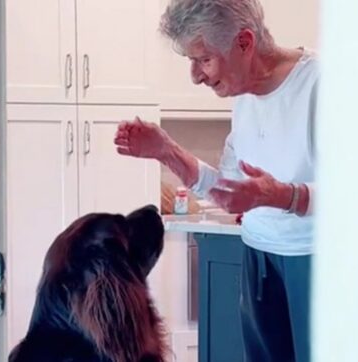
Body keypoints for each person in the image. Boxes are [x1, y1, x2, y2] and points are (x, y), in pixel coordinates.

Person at [114, 0, 318, 361]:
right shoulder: (242, 96)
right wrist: (167, 152)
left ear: (244, 42)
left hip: (314, 261)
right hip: (258, 256)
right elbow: (227, 191)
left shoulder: (322, 84)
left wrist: (284, 196)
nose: (195, 76)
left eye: (203, 59)